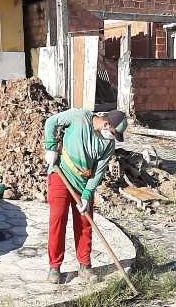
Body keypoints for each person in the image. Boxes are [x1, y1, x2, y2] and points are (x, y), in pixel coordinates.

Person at [42, 108, 128, 283]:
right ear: (106, 123)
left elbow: (98, 173)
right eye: (112, 133)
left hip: (83, 183)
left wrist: (87, 194)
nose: (112, 138)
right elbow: (51, 122)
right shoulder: (78, 117)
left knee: (85, 222)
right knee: (58, 219)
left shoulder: (108, 145)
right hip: (61, 174)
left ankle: (84, 266)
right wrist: (50, 148)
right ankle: (54, 268)